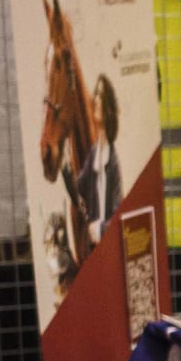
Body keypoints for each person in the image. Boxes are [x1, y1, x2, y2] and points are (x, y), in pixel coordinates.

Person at [79, 75, 122, 244]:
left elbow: (121, 215)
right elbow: (79, 188)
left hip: (109, 248)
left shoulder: (113, 162)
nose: (95, 99)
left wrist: (100, 229)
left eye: (100, 95)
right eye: (95, 93)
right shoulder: (93, 155)